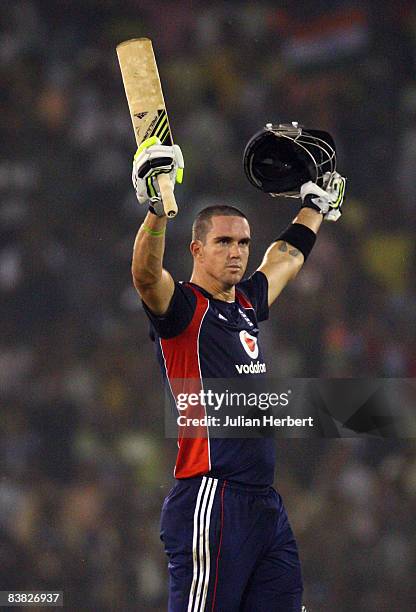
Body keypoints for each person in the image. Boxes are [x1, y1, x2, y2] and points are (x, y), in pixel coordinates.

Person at [131, 137, 346, 611]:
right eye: (224, 242)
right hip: (212, 497)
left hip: (264, 505)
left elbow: (285, 258)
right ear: (196, 249)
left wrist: (313, 205)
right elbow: (146, 277)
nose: (237, 251)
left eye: (244, 242)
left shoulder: (246, 303)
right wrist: (156, 209)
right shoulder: (184, 309)